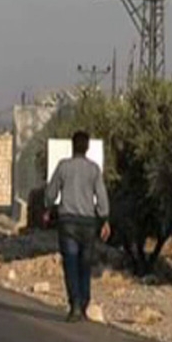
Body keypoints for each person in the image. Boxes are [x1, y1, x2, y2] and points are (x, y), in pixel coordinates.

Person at [44, 131, 111, 323]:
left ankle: (74, 304)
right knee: (85, 264)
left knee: (71, 263)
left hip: (68, 223)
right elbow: (102, 196)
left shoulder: (64, 167)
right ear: (87, 147)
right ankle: (84, 303)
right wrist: (104, 218)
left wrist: (49, 208)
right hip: (88, 223)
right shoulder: (94, 169)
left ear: (72, 146)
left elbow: (51, 192)